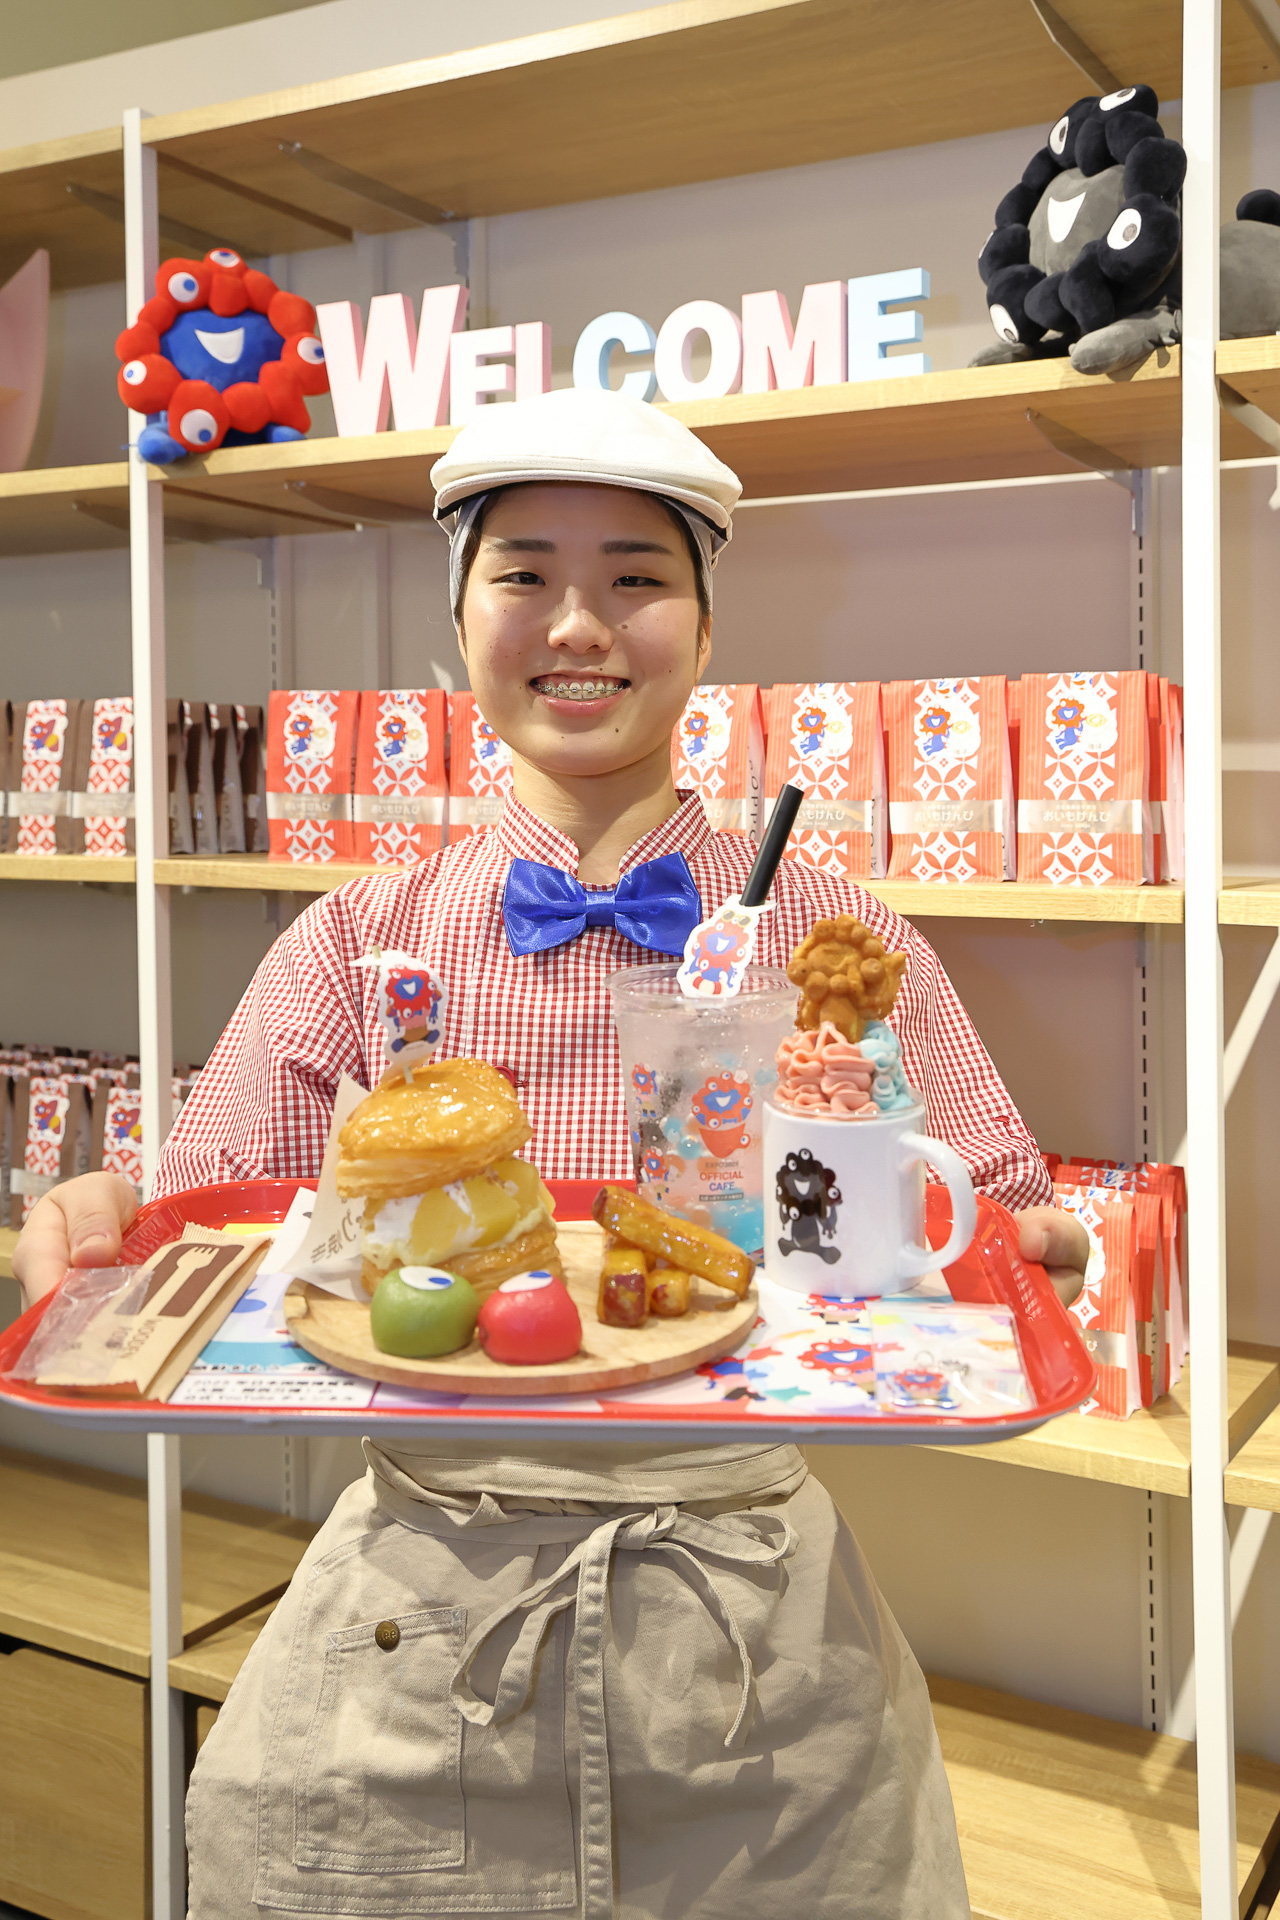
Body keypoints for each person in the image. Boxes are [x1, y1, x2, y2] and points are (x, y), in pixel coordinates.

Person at [14, 387, 1087, 1920]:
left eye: (637, 578)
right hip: (411, 1634)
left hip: (755, 1661)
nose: (579, 621)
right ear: (458, 626)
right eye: (524, 573)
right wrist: (111, 1202)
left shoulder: (830, 927)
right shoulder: (361, 934)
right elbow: (213, 1213)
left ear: (707, 631)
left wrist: (1032, 1247)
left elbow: (998, 1205)